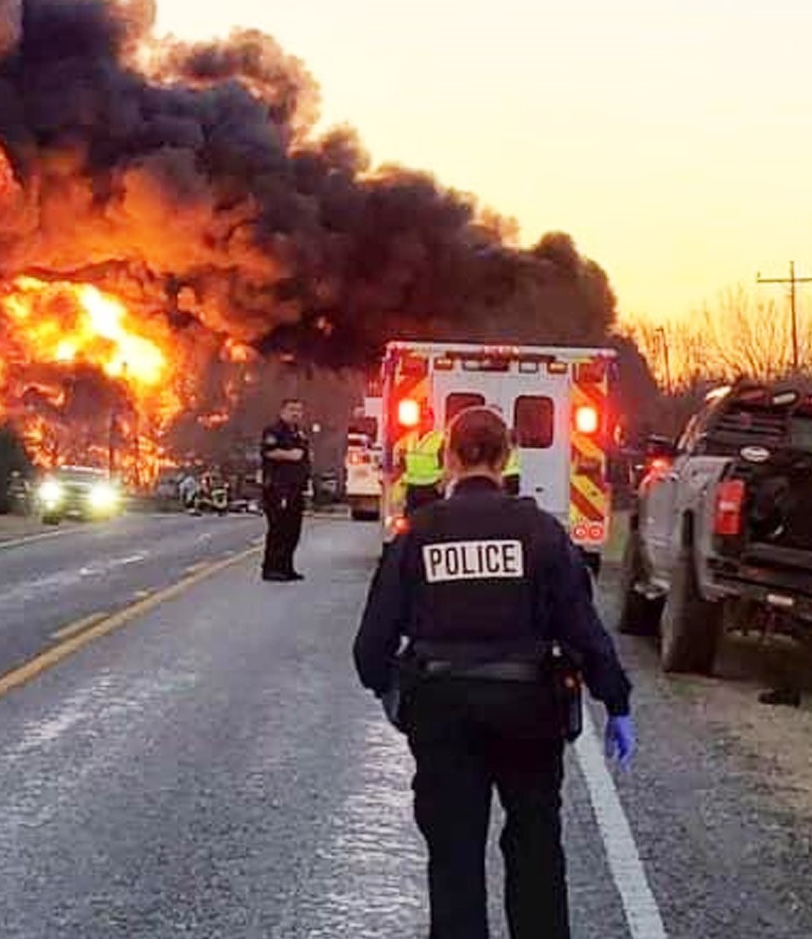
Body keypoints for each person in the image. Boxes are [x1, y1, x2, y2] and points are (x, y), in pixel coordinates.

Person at [353, 406, 635, 939]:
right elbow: (583, 628)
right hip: (529, 707)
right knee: (535, 845)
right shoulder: (543, 532)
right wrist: (615, 700)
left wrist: (391, 690)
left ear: (449, 458)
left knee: (455, 853)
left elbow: (373, 643)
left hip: (441, 706)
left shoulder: (418, 533)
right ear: (507, 458)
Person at [258, 398, 311, 582]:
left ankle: (287, 567)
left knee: (293, 531)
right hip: (278, 488)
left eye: (299, 410)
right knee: (278, 529)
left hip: (296, 489)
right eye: (292, 409)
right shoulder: (274, 431)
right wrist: (290, 455)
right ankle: (271, 568)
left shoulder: (299, 433)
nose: (296, 413)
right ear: (282, 411)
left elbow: (304, 458)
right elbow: (268, 452)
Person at [400, 406, 447, 514]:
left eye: (426, 418)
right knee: (410, 522)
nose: (423, 421)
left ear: (432, 421)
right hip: (412, 487)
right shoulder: (410, 437)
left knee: (431, 522)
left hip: (431, 487)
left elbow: (447, 464)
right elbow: (403, 458)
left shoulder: (440, 439)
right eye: (421, 418)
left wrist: (442, 484)